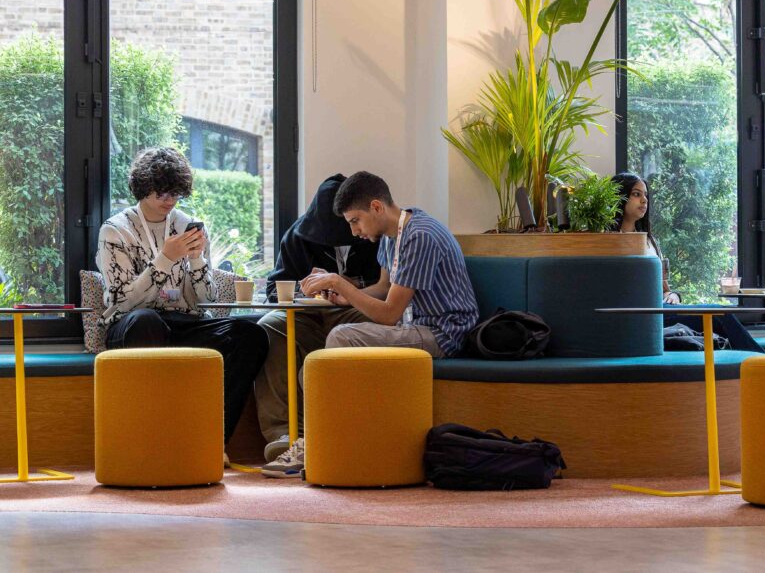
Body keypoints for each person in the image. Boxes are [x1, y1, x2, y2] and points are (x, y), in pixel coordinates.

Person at [262, 171, 479, 478]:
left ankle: (316, 445)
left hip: (444, 334)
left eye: (355, 221)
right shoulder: (394, 236)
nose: (354, 231)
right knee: (335, 340)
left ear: (377, 207)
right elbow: (382, 288)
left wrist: (341, 282)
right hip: (416, 326)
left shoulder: (419, 236)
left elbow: (390, 313)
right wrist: (344, 297)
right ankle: (330, 442)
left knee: (343, 337)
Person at [97, 147, 269, 459]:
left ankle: (211, 440)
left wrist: (197, 259)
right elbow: (122, 301)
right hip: (130, 323)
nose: (169, 200)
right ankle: (153, 441)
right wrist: (165, 259)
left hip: (182, 321)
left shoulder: (186, 224)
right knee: (146, 321)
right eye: (162, 192)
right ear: (143, 187)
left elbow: (206, 301)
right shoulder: (116, 230)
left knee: (250, 334)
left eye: (176, 192)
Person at [255, 174, 381, 464]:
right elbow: (275, 290)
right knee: (269, 327)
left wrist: (350, 286)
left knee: (364, 327)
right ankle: (284, 434)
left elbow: (387, 288)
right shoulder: (298, 237)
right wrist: (303, 289)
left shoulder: (373, 234)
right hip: (308, 315)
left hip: (355, 310)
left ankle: (342, 431)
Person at [610, 171, 764, 353]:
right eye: (636, 194)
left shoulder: (650, 241)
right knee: (720, 315)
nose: (644, 200)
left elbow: (665, 288)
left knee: (721, 314)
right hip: (640, 314)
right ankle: (764, 366)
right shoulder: (606, 241)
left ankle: (761, 365)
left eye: (645, 195)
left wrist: (674, 295)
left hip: (661, 309)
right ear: (619, 196)